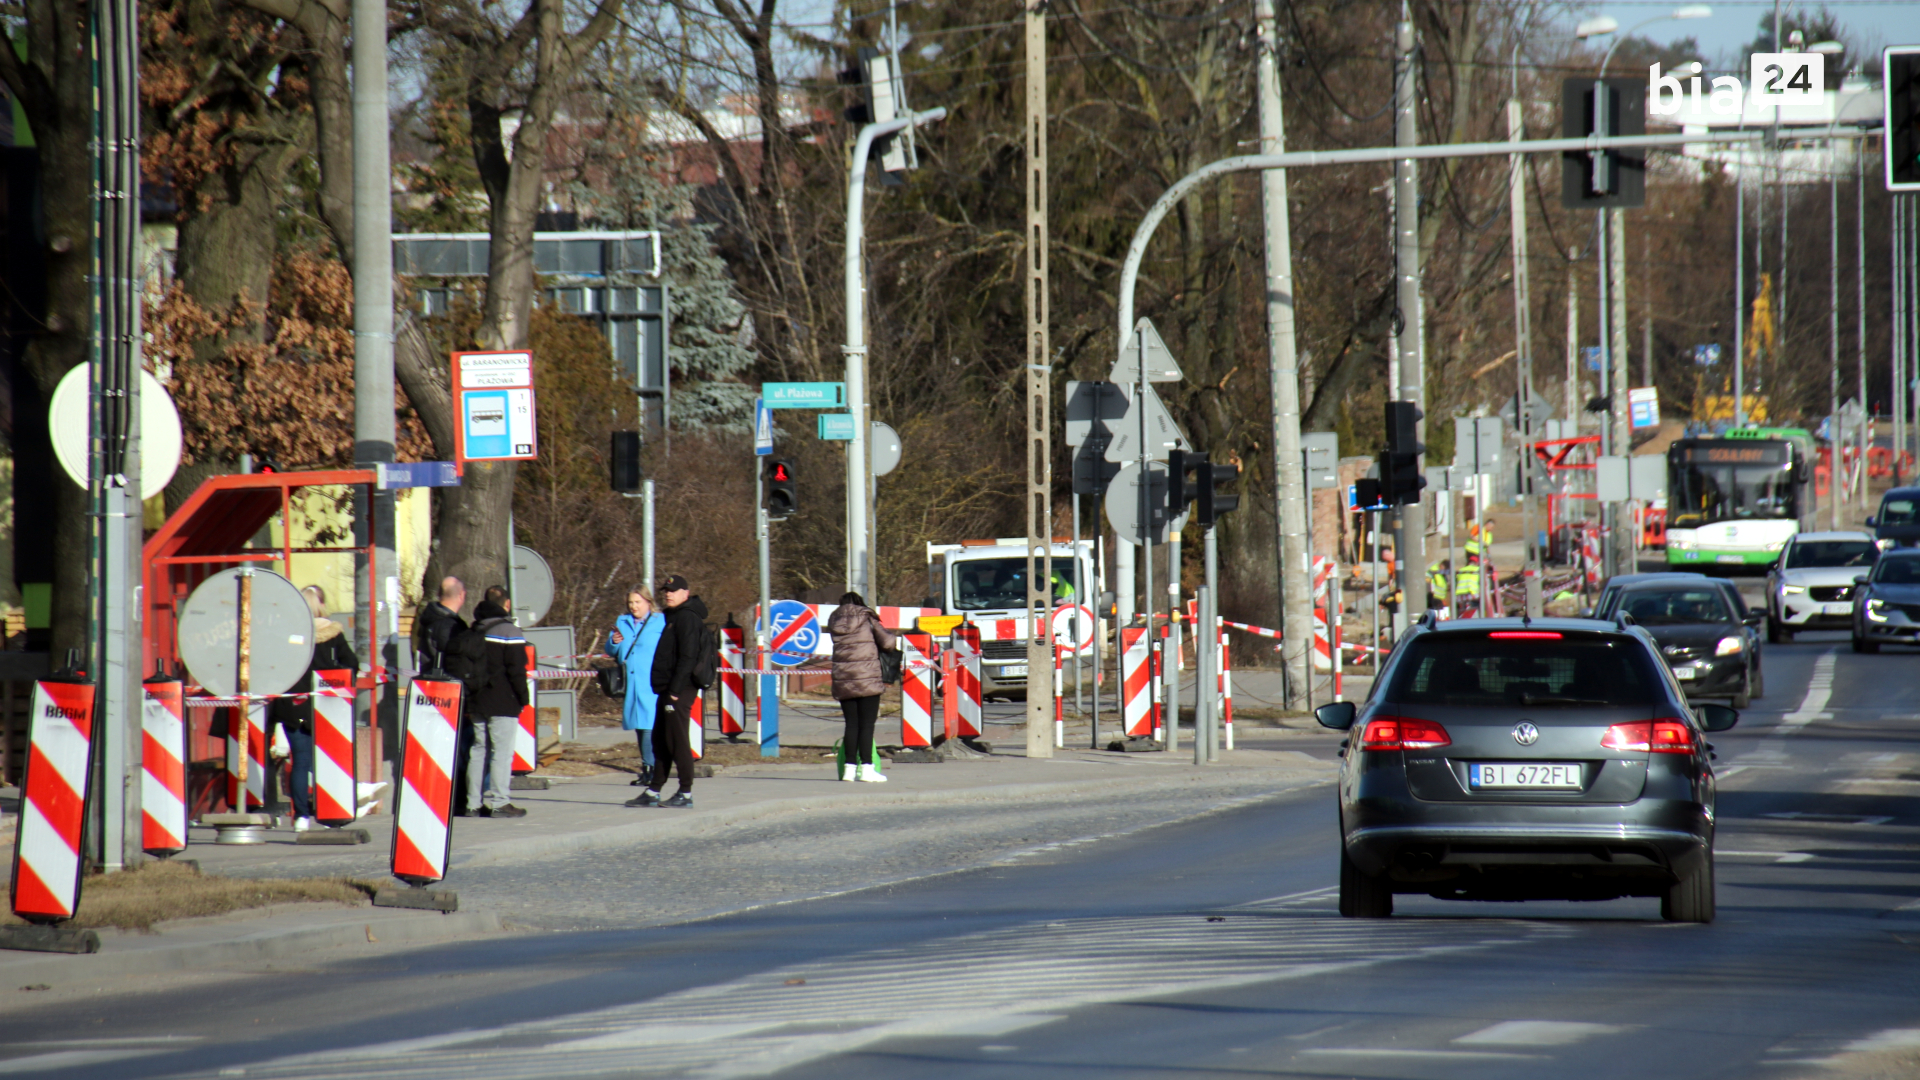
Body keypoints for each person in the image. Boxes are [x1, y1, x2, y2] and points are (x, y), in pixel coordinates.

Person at [269, 585, 357, 832]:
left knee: (301, 761)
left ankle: (301, 817)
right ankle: (330, 811)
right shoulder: (333, 633)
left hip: (293, 705)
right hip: (327, 707)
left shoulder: (289, 635)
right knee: (328, 761)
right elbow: (351, 664)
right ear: (322, 603)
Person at [631, 574, 707, 808]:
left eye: (673, 590)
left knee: (677, 740)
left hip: (679, 689)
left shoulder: (687, 618)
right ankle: (654, 791)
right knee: (660, 739)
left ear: (686, 592)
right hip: (669, 687)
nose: (668, 594)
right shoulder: (673, 617)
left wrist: (674, 691)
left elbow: (688, 657)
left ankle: (685, 793)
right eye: (666, 590)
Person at [464, 587, 530, 818]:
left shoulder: (475, 628)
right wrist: (523, 697)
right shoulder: (509, 631)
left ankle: (472, 804)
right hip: (503, 700)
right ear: (507, 604)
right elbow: (516, 669)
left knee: (479, 749)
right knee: (501, 753)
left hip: (477, 699)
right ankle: (500, 802)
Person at [827, 591, 895, 783]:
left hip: (843, 679)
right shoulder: (866, 617)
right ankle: (866, 769)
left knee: (851, 725)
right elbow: (889, 642)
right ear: (859, 603)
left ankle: (849, 770)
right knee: (866, 725)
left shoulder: (834, 619)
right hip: (867, 678)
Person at [606, 587, 664, 786]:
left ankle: (651, 769)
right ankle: (648, 768)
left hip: (651, 682)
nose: (634, 607)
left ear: (648, 602)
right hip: (631, 683)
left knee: (648, 726)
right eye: (631, 603)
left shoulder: (659, 622)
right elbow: (611, 650)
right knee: (639, 727)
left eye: (637, 602)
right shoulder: (622, 622)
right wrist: (613, 642)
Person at [415, 577, 467, 674]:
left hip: (426, 680)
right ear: (461, 595)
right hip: (444, 684)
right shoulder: (449, 626)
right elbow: (455, 661)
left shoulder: (429, 617)